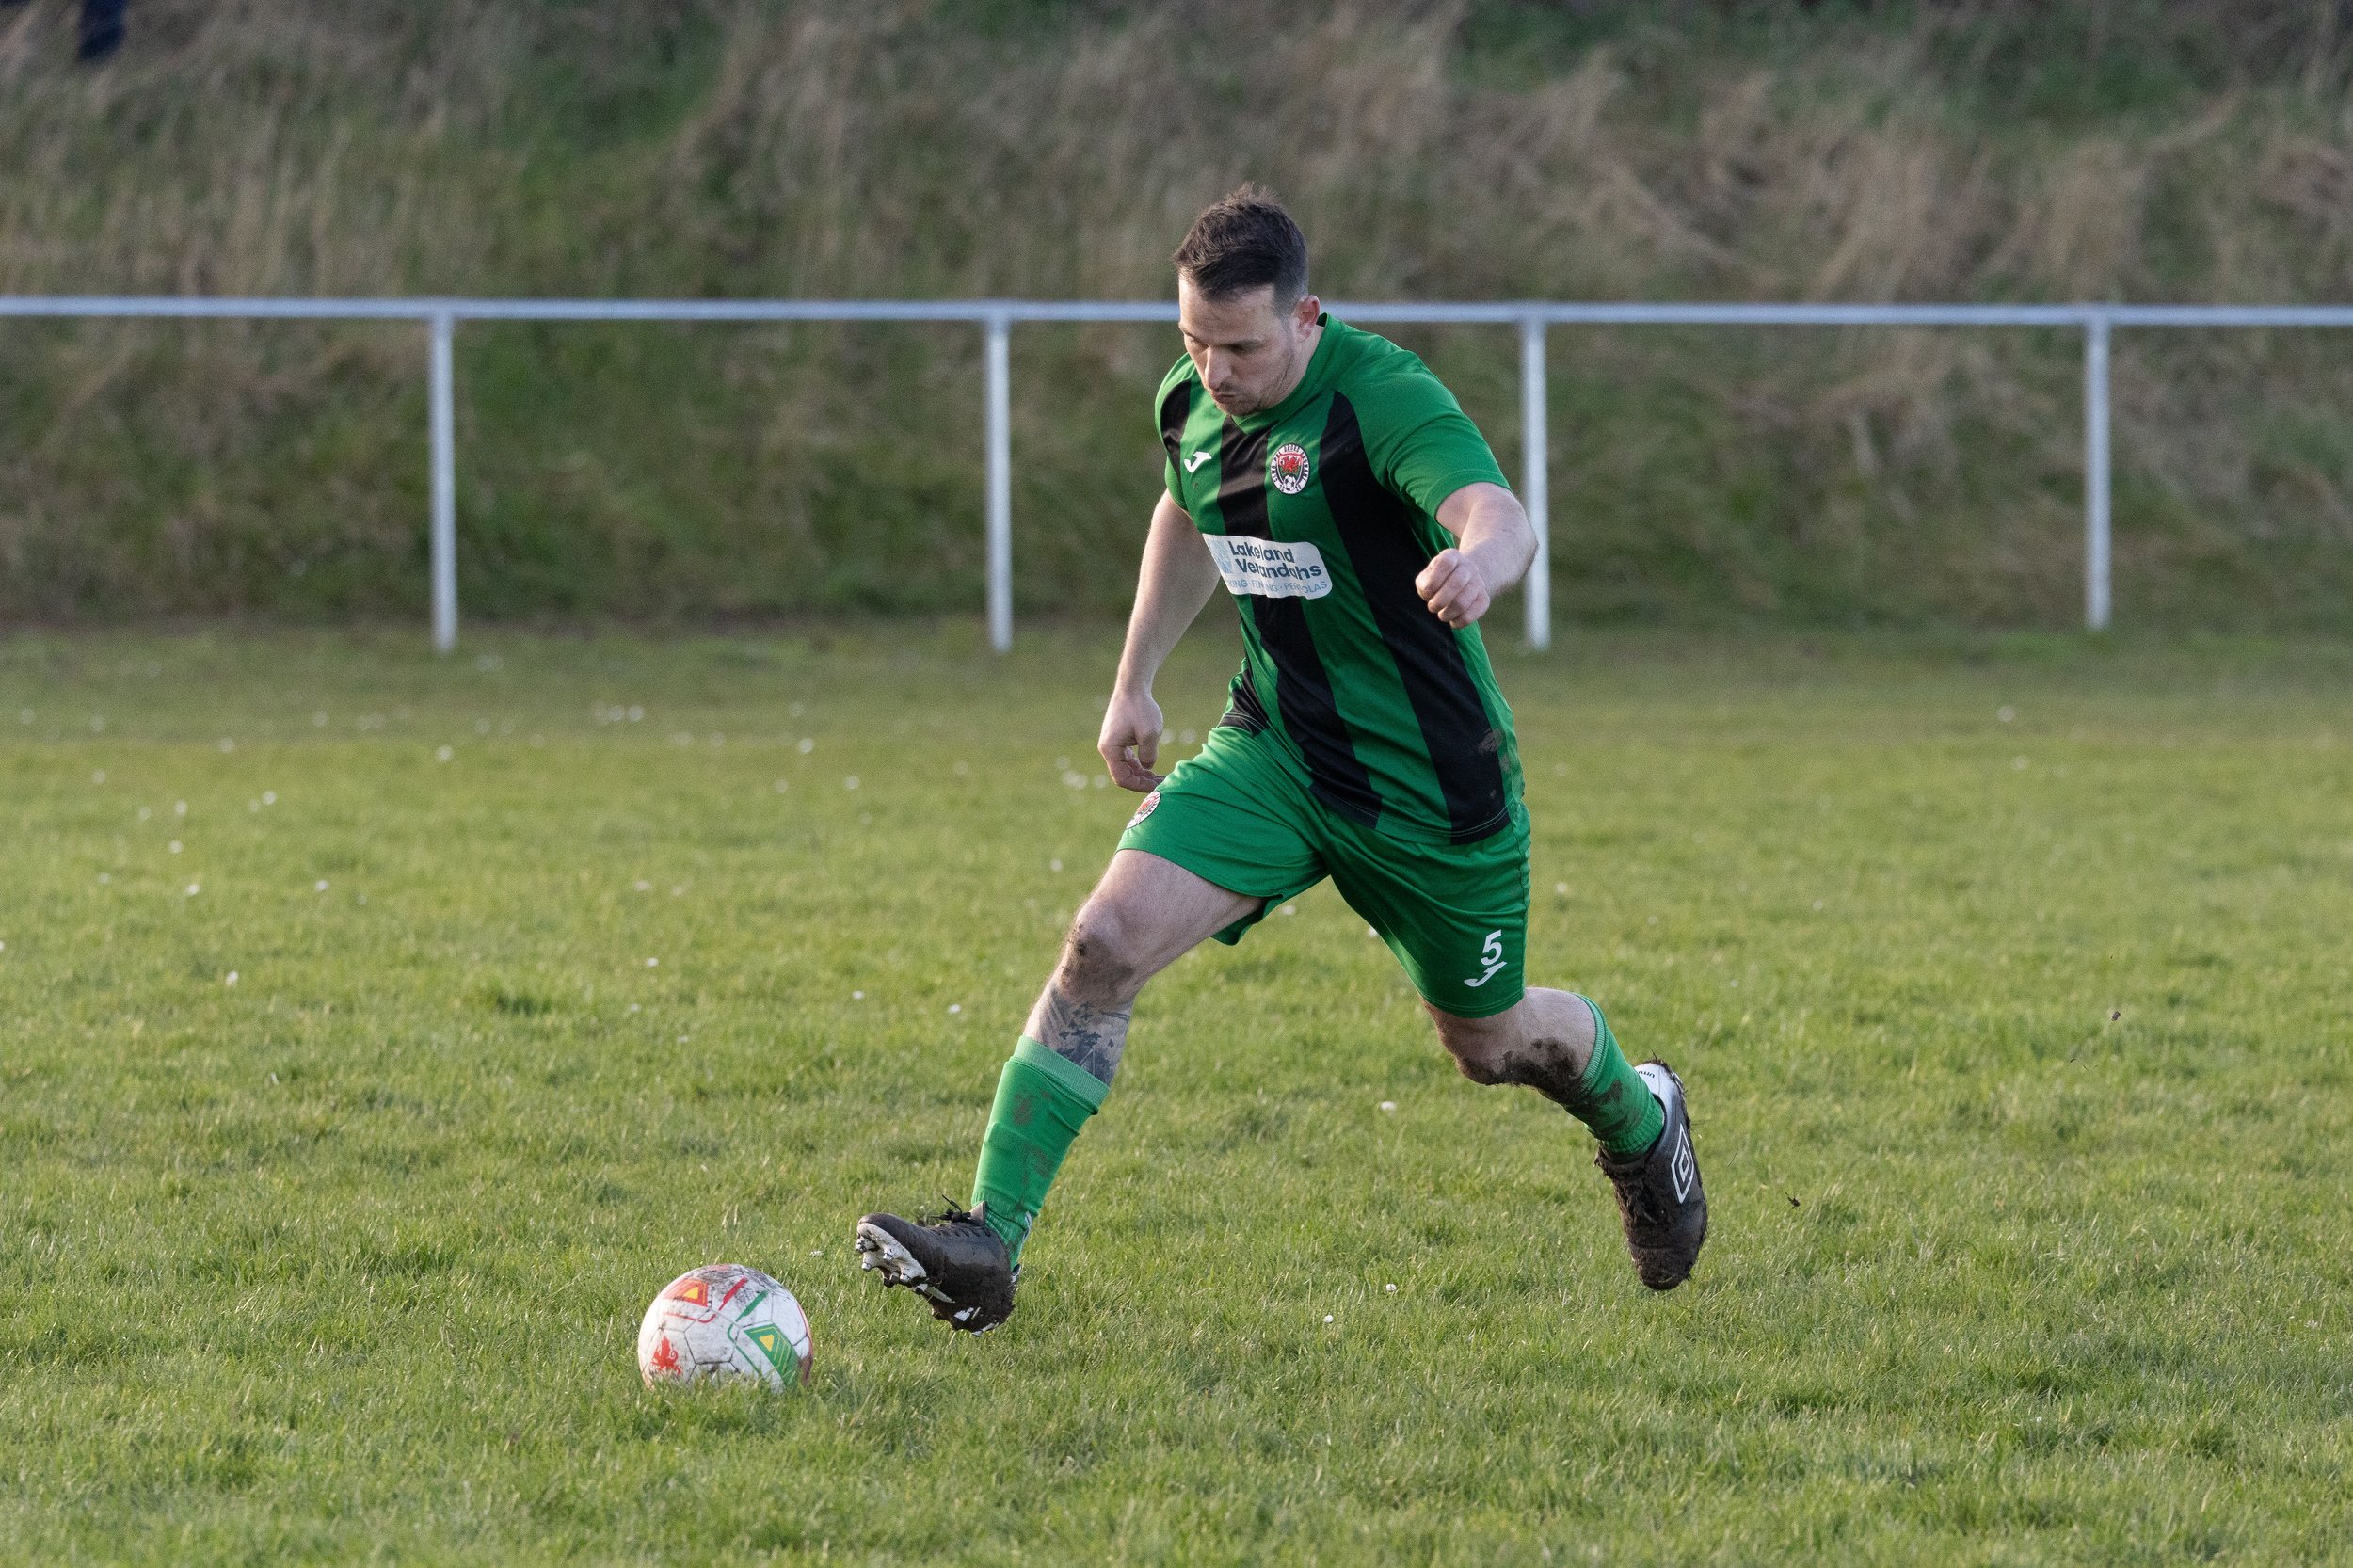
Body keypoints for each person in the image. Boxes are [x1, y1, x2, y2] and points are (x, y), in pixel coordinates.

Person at [855, 187, 1705, 1332]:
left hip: (1429, 792)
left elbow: (1494, 507)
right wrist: (1134, 677)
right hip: (1276, 754)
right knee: (1101, 944)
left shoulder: (1380, 395)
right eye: (1192, 341)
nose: (1213, 371)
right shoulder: (1192, 396)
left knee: (1490, 1045)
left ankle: (1643, 1120)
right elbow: (1187, 506)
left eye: (1241, 346)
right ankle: (987, 1240)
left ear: (1307, 315)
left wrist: (1483, 564)